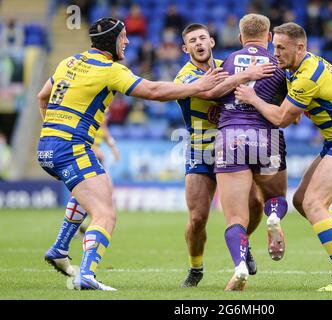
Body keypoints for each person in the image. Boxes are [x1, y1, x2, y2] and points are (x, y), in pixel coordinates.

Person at [37, 17, 228, 291]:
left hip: (47, 146)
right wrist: (199, 86)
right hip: (70, 148)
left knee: (94, 191)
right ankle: (87, 275)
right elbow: (153, 91)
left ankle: (59, 249)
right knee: (105, 213)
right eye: (123, 36)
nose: (127, 42)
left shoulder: (68, 62)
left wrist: (53, 131)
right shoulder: (110, 70)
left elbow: (42, 97)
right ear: (111, 41)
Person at [235, 22, 332, 292]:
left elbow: (280, 119)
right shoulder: (298, 68)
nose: (275, 53)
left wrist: (252, 98)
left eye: (281, 47)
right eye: (273, 45)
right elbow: (301, 104)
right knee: (301, 201)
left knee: (314, 203)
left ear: (300, 48)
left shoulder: (308, 75)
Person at [174, 23, 277, 287]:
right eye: (192, 41)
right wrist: (246, 75)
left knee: (255, 205)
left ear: (212, 42)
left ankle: (243, 243)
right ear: (186, 49)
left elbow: (261, 90)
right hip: (202, 148)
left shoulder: (229, 64)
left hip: (234, 144)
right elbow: (207, 92)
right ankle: (196, 267)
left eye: (202, 38)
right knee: (198, 218)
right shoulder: (184, 77)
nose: (198, 43)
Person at [215, 14, 290, 291]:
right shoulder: (278, 66)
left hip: (230, 136)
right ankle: (273, 217)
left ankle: (240, 266)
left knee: (236, 218)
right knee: (275, 197)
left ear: (239, 38)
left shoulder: (228, 62)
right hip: (267, 137)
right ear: (269, 37)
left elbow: (213, 93)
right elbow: (289, 112)